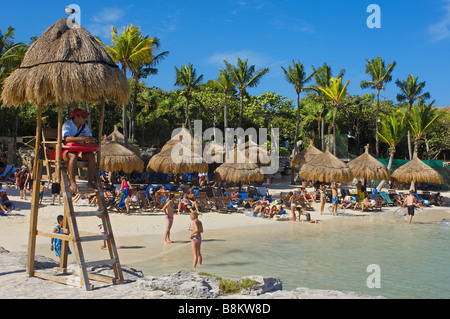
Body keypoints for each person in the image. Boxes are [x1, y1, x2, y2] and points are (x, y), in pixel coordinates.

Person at [62, 108, 98, 193]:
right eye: (83, 117)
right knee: (73, 155)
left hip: (79, 150)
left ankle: (90, 181)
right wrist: (82, 138)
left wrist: (90, 140)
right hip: (66, 151)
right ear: (77, 117)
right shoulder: (67, 125)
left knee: (91, 156)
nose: (85, 119)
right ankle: (72, 181)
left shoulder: (85, 127)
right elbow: (66, 139)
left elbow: (89, 136)